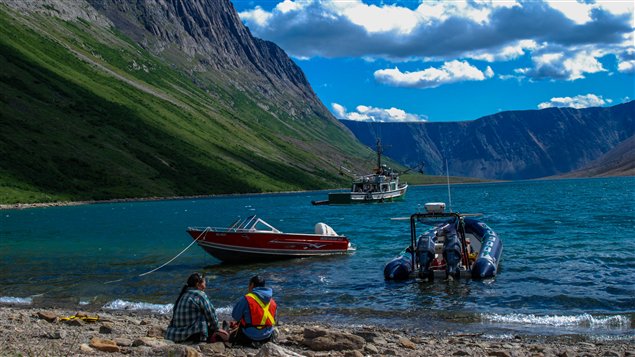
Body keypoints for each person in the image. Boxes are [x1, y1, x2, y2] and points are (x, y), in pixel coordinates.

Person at [166, 272, 223, 343]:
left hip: (175, 334)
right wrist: (216, 328)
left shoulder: (183, 294)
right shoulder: (199, 295)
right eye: (204, 283)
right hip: (192, 335)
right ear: (198, 284)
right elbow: (210, 314)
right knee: (223, 335)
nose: (205, 286)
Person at [230, 275, 277, 346]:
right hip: (267, 336)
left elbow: (235, 316)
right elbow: (274, 319)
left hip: (249, 336)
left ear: (252, 285)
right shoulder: (272, 301)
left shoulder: (246, 299)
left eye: (249, 285)